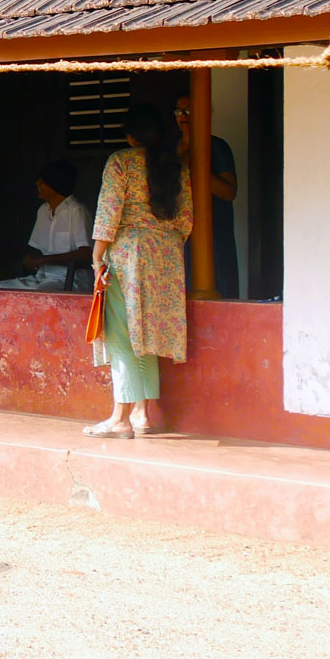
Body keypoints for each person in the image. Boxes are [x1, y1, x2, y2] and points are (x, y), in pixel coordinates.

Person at [86, 104, 193, 439]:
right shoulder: (176, 166)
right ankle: (142, 414)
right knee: (147, 335)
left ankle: (120, 419)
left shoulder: (121, 162)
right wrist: (164, 246)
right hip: (167, 255)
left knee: (121, 336)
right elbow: (186, 220)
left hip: (129, 253)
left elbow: (108, 213)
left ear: (130, 135)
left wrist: (97, 258)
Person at [0, 160, 92, 291]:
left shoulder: (77, 210)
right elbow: (36, 248)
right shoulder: (43, 210)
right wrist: (32, 259)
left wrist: (43, 260)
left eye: (42, 181)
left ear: (55, 183)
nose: (37, 184)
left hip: (71, 278)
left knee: (38, 294)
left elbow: (86, 254)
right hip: (43, 276)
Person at [175, 94, 240, 299]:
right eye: (179, 111)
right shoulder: (170, 150)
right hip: (177, 230)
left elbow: (229, 192)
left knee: (218, 283)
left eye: (189, 111)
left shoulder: (217, 147)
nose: (183, 116)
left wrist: (196, 168)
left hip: (212, 229)